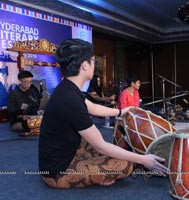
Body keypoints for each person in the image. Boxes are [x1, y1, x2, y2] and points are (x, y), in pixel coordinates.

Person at [38, 38, 167, 189]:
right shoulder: (70, 99)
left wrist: (121, 111)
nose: (95, 65)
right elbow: (100, 146)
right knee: (125, 165)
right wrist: (144, 160)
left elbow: (93, 108)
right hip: (57, 172)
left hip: (62, 154)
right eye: (93, 61)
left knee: (111, 149)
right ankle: (96, 174)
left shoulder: (67, 89)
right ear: (85, 65)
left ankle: (98, 171)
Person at [7, 70, 41, 135]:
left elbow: (36, 105)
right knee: (33, 125)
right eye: (26, 82)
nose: (28, 84)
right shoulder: (13, 94)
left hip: (32, 118)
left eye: (30, 82)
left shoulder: (33, 91)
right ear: (20, 81)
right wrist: (21, 109)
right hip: (18, 121)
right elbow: (11, 111)